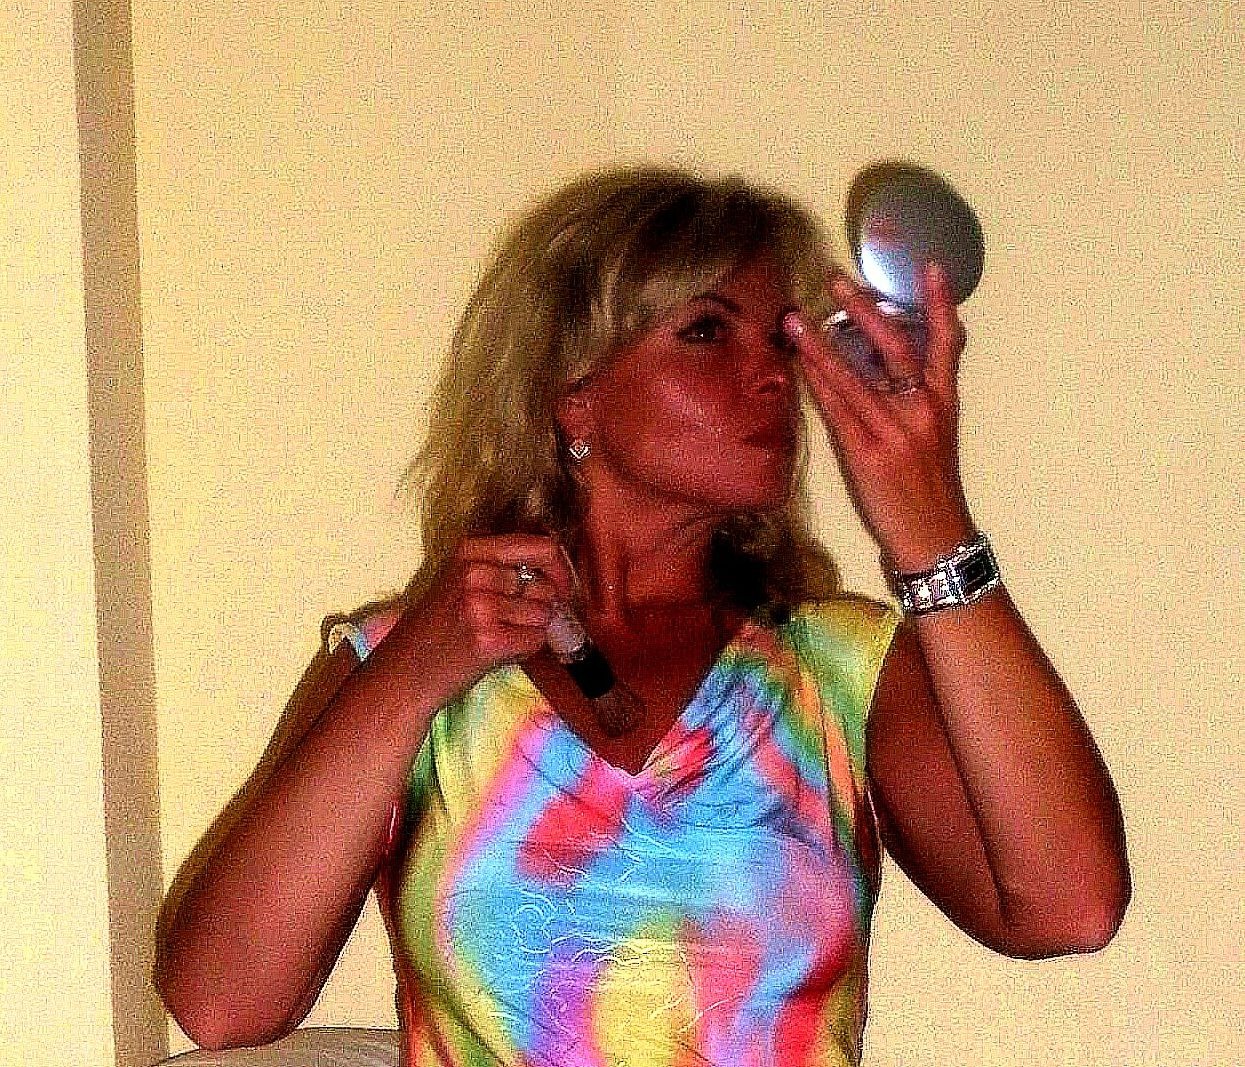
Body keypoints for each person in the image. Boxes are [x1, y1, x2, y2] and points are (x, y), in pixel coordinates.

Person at [155, 166, 1130, 1067]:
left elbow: (1071, 905)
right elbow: (220, 1000)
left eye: (780, 340)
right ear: (573, 394)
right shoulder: (408, 662)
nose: (771, 375)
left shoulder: (838, 664)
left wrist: (931, 528)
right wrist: (408, 675)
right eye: (707, 331)